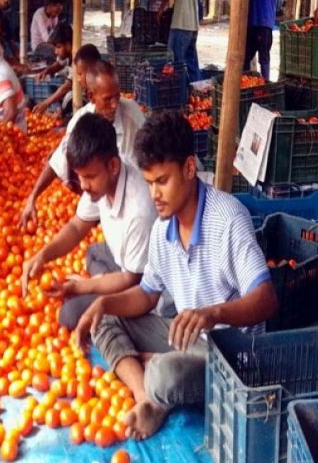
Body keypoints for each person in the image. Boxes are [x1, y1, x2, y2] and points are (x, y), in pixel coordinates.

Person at [73, 111, 278, 440]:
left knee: (165, 375)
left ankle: (153, 381)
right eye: (149, 182)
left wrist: (213, 313)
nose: (154, 194)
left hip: (230, 349)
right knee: (104, 317)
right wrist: (103, 305)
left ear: (189, 168)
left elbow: (266, 299)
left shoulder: (228, 219)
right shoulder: (161, 229)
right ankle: (145, 398)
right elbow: (147, 295)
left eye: (162, 181)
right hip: (185, 334)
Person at [20, 113, 157, 329]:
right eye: (80, 176)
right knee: (93, 252)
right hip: (126, 262)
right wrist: (42, 256)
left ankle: (110, 296)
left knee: (69, 313)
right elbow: (76, 227)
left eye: (89, 177)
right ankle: (104, 281)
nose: (82, 185)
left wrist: (79, 287)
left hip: (142, 287)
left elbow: (132, 280)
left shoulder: (139, 211)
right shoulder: (102, 179)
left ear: (113, 166)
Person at [19, 59, 144, 228]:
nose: (115, 105)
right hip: (99, 204)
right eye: (107, 99)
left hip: (133, 206)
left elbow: (152, 153)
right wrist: (32, 197)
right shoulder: (80, 122)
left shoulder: (132, 114)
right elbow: (57, 162)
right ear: (91, 97)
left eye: (117, 96)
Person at [32, 24, 78, 118]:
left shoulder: (77, 58)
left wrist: (45, 103)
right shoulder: (67, 54)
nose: (56, 52)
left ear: (68, 45)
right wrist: (47, 71)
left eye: (58, 47)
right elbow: (59, 64)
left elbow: (67, 86)